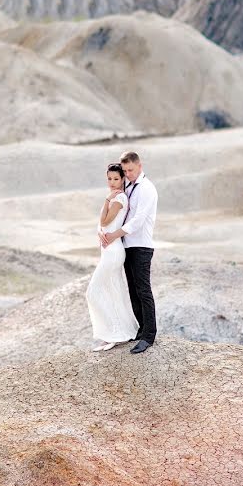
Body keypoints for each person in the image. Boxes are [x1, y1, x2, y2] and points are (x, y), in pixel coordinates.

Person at [100, 151, 158, 354]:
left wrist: (114, 234)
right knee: (132, 290)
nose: (128, 174)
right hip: (126, 245)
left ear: (139, 166)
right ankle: (141, 331)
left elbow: (138, 220)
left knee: (143, 291)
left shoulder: (147, 189)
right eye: (125, 171)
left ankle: (149, 337)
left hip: (141, 245)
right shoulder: (128, 187)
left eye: (130, 170)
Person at [86, 163, 139, 351]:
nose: (112, 182)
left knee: (93, 292)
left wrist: (107, 200)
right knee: (113, 293)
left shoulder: (119, 198)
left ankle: (114, 333)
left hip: (114, 252)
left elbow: (104, 221)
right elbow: (102, 226)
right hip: (109, 251)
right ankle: (118, 333)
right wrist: (100, 231)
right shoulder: (115, 197)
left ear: (123, 179)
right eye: (109, 178)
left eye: (116, 179)